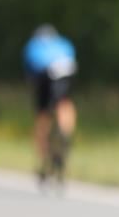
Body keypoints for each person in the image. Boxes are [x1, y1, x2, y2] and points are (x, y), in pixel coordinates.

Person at [23, 24, 78, 181]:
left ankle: (43, 159)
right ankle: (65, 131)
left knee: (43, 115)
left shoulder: (33, 45)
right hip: (67, 71)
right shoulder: (63, 42)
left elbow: (30, 74)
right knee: (65, 103)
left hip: (44, 74)